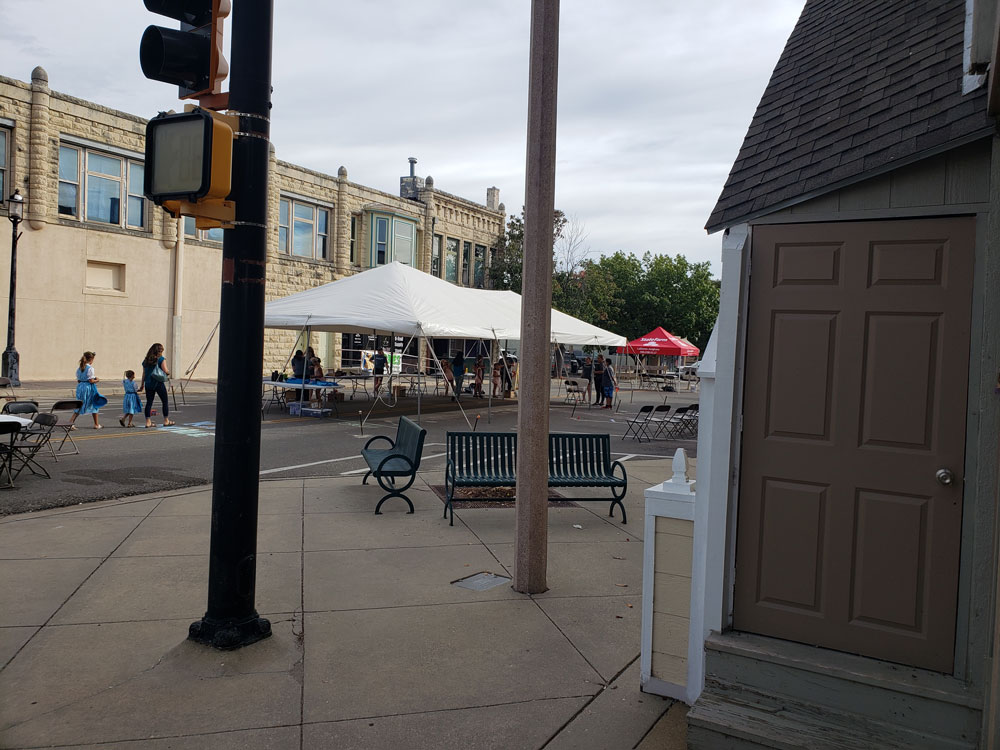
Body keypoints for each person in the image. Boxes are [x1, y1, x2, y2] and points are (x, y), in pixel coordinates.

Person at [67, 351, 106, 430]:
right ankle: (95, 424)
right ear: (91, 359)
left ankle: (95, 423)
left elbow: (79, 380)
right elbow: (91, 381)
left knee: (81, 404)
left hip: (80, 387)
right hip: (88, 388)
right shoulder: (90, 368)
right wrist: (97, 380)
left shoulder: (80, 368)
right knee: (92, 403)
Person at [142, 343, 175, 428]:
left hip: (148, 384)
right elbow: (166, 370)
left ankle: (148, 422)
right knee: (164, 401)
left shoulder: (146, 360)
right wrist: (168, 373)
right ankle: (166, 420)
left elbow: (144, 373)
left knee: (149, 402)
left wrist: (142, 384)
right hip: (158, 383)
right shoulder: (161, 359)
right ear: (160, 351)